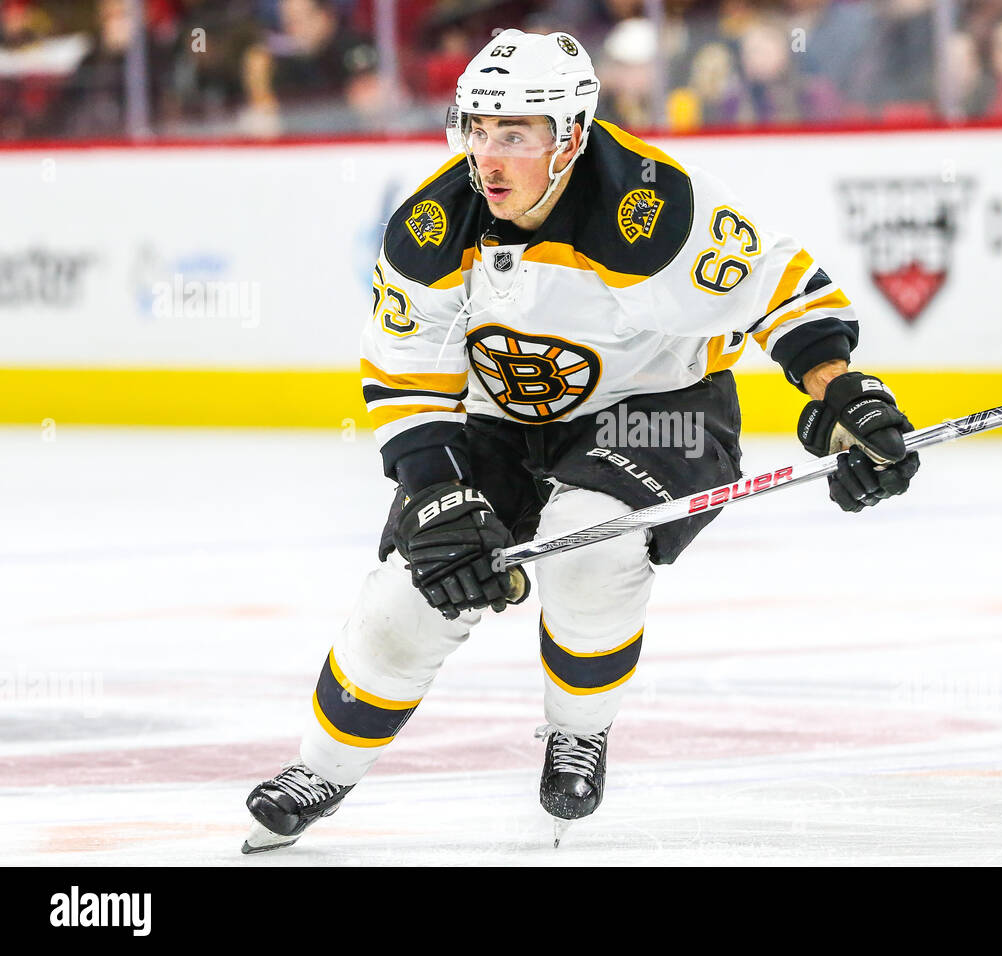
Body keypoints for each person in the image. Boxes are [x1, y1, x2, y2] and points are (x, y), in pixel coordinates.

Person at [241, 28, 920, 853]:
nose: (486, 158)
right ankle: (320, 769)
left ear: (571, 135)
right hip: (499, 420)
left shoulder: (652, 209)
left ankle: (579, 730)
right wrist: (431, 490)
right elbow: (406, 372)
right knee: (410, 596)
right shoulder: (430, 227)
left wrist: (846, 398)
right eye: (476, 130)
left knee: (589, 552)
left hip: (655, 409)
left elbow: (780, 292)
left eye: (514, 135)